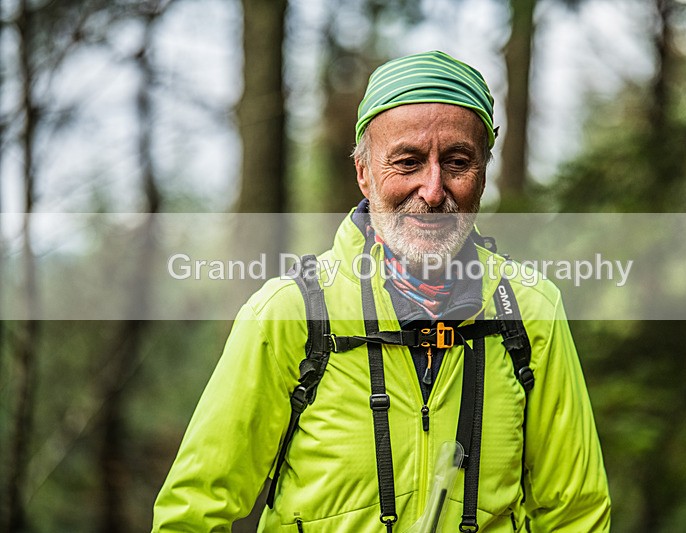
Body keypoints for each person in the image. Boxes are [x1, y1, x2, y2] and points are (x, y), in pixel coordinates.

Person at [152, 50, 611, 532]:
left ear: (483, 174)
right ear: (364, 173)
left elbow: (575, 515)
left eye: (457, 162)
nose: (433, 190)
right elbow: (194, 513)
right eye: (408, 161)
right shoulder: (291, 312)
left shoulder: (531, 310)